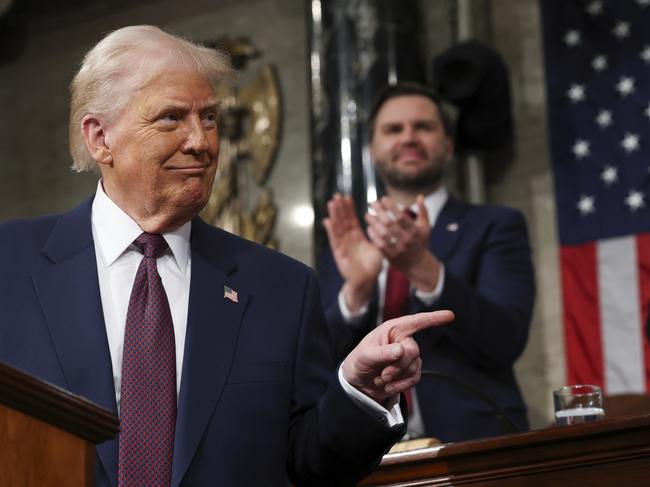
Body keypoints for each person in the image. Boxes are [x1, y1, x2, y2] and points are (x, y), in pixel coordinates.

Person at [0, 27, 455, 487]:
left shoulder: (280, 287)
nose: (201, 142)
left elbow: (309, 464)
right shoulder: (10, 265)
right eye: (171, 118)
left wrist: (359, 393)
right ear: (101, 138)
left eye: (210, 118)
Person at [319, 82, 535, 443]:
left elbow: (506, 340)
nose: (409, 137)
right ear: (372, 151)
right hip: (363, 450)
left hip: (474, 444)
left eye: (423, 127)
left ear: (448, 146)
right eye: (393, 129)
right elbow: (317, 361)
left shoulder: (496, 225)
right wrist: (356, 293)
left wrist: (422, 267)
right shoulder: (350, 239)